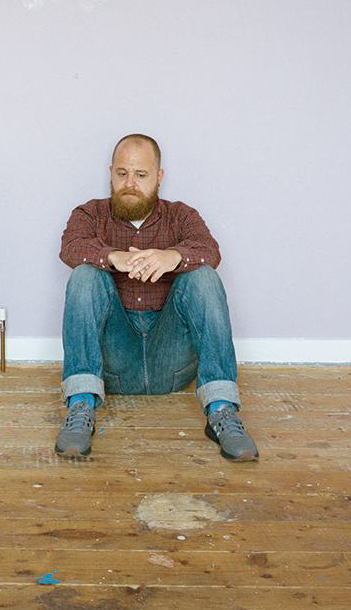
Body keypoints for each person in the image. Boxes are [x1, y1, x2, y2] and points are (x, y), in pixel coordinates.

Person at [55, 133, 258, 462]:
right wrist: (112, 257)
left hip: (172, 359)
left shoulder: (181, 216)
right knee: (84, 274)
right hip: (113, 361)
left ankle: (222, 411)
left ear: (159, 177)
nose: (130, 183)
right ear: (110, 173)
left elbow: (210, 251)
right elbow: (70, 247)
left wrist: (173, 257)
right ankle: (81, 406)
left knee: (204, 275)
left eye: (141, 175)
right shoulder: (90, 214)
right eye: (122, 174)